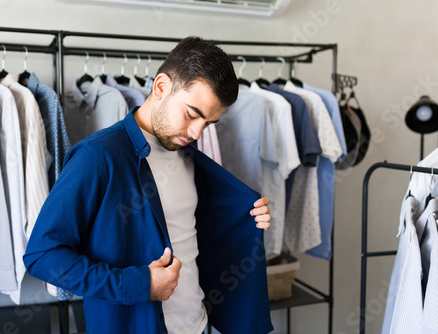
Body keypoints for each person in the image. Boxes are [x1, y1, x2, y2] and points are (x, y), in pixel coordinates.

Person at [24, 36, 274, 334]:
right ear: (160, 87)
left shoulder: (190, 157)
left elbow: (195, 234)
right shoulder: (97, 157)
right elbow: (42, 255)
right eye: (192, 114)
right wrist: (138, 285)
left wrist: (247, 216)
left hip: (198, 325)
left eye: (208, 123)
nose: (197, 132)